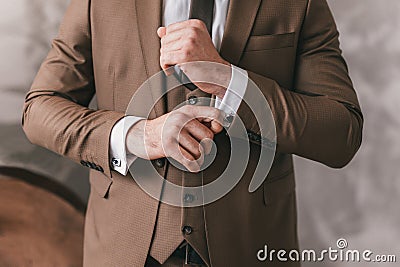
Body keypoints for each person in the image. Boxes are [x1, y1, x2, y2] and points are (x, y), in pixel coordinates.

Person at [22, 0, 363, 266]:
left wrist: (227, 80)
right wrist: (140, 135)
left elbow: (341, 132)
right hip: (123, 250)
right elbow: (40, 109)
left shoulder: (297, 4)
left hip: (250, 248)